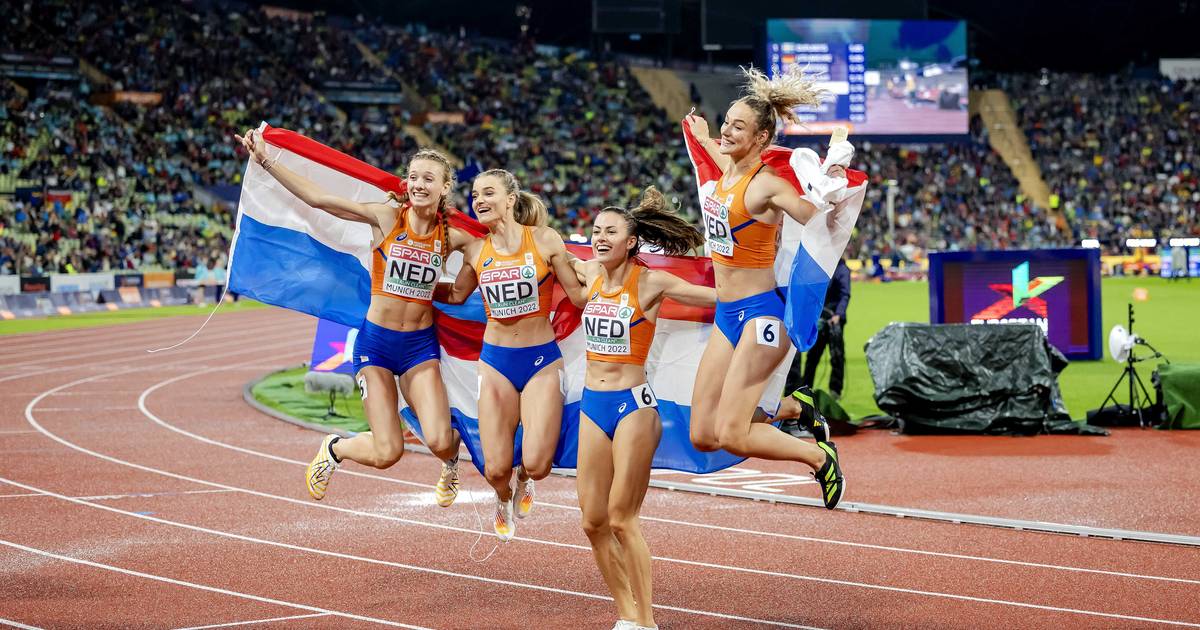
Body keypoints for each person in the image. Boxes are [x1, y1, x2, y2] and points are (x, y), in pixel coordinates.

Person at [235, 129, 470, 508]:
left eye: (429, 178)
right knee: (387, 453)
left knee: (442, 442)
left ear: (445, 188)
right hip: (376, 345)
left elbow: (491, 259)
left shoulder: (454, 236)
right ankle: (335, 448)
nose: (419, 184)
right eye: (413, 176)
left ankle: (451, 462)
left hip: (418, 347)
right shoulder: (386, 217)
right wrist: (266, 160)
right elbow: (320, 200)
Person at [684, 66, 849, 509]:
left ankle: (818, 457)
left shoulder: (766, 188)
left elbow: (812, 217)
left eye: (738, 126)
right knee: (702, 433)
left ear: (761, 139)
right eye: (727, 121)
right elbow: (717, 156)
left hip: (761, 316)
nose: (727, 129)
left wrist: (825, 182)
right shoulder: (727, 172)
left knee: (734, 435)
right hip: (727, 315)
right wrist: (701, 135)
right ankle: (794, 408)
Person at [570, 187, 711, 630]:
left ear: (631, 241)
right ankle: (626, 613)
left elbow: (715, 296)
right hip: (593, 406)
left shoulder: (651, 281)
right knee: (593, 522)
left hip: (633, 407)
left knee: (621, 519)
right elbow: (548, 251)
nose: (600, 237)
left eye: (610, 231)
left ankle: (646, 622)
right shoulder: (588, 272)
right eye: (596, 230)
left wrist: (762, 291)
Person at [436, 169, 587, 541]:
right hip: (497, 363)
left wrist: (607, 277)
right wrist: (413, 287)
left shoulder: (545, 240)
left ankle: (525, 479)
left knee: (537, 463)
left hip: (539, 361)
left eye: (488, 193)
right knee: (494, 469)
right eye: (474, 195)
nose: (480, 200)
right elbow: (455, 295)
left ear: (510, 199)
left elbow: (579, 297)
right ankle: (502, 498)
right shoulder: (475, 248)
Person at [793, 256, 851, 400]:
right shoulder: (823, 267)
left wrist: (838, 314)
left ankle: (835, 391)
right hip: (819, 319)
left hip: (834, 320)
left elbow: (845, 295)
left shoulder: (842, 270)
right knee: (813, 357)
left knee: (836, 356)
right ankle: (805, 389)